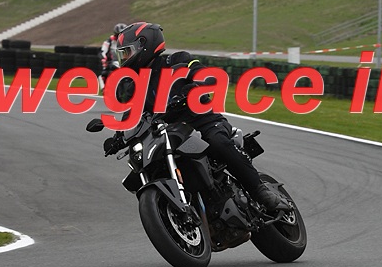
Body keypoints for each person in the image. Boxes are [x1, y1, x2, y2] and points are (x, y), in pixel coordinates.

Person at [106, 21, 290, 212]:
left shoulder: (177, 60)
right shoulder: (136, 85)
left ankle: (260, 192)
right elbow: (132, 113)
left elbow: (204, 74)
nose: (125, 59)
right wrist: (118, 136)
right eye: (122, 54)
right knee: (149, 164)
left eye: (127, 53)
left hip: (202, 120)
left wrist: (194, 87)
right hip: (170, 131)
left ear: (144, 45)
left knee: (218, 142)